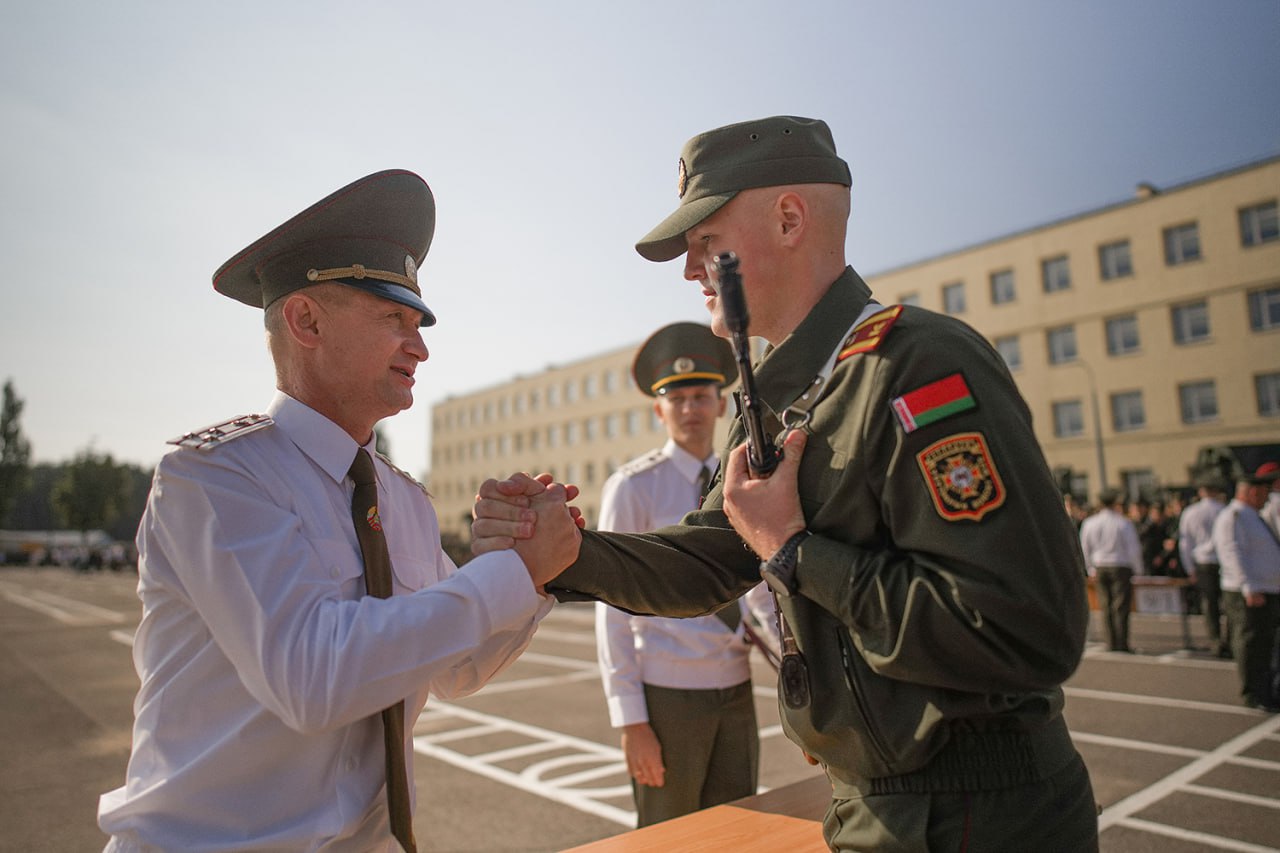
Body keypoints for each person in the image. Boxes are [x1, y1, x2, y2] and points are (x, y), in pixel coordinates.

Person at [474, 116, 1098, 850]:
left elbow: (1025, 630)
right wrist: (564, 550)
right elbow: (706, 559)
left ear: (791, 218)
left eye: (705, 242)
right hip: (873, 803)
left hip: (977, 815)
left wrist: (797, 551)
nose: (688, 269)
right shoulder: (769, 406)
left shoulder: (917, 366)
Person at [97, 170, 581, 852]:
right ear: (307, 321)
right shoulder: (214, 478)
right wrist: (505, 576)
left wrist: (523, 563)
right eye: (393, 318)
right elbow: (310, 677)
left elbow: (459, 666)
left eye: (417, 323)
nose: (420, 346)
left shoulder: (402, 498)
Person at [594, 321, 776, 827]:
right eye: (678, 399)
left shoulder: (744, 480)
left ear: (722, 404)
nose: (691, 409)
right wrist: (632, 721)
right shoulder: (632, 488)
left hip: (736, 689)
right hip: (667, 697)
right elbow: (612, 611)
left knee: (737, 832)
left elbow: (762, 589)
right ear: (660, 409)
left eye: (702, 395)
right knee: (669, 836)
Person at [1213, 467, 1280, 712]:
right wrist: (1248, 586)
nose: (1267, 497)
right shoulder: (1234, 517)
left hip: (1266, 588)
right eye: (1264, 492)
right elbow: (1231, 552)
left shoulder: (1253, 515)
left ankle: (1266, 688)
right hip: (1248, 592)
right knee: (1251, 643)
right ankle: (1253, 692)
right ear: (1251, 492)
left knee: (1266, 643)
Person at [1079, 488, 1144, 653]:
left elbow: (1085, 548)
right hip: (1120, 566)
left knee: (1105, 605)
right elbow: (1133, 549)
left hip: (1100, 566)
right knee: (1120, 606)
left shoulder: (1090, 523)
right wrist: (1138, 570)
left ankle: (1110, 641)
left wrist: (1090, 568)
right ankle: (1121, 642)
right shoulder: (1123, 523)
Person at [1179, 476, 1230, 657]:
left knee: (1209, 605)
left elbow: (1186, 543)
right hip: (1224, 562)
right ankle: (1229, 640)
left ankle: (1215, 640)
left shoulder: (1191, 512)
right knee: (1228, 604)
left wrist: (1189, 568)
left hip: (1202, 563)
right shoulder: (1224, 510)